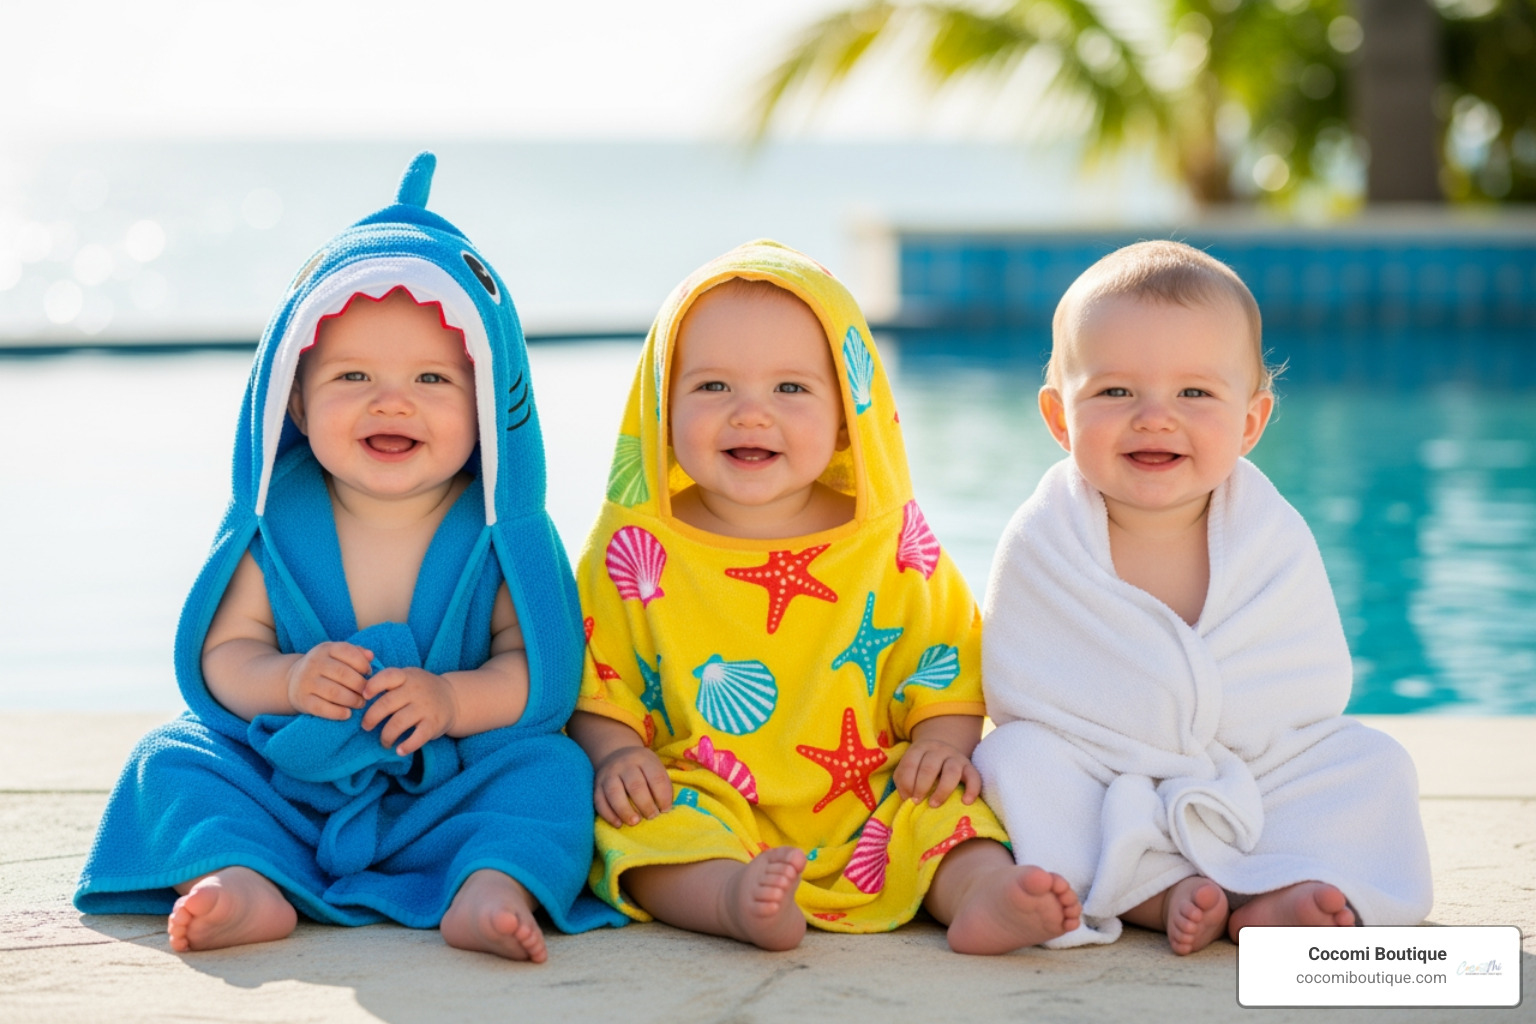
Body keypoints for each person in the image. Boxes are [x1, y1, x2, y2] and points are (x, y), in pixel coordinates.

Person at [74, 153, 623, 960]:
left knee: (552, 773)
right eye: (353, 375)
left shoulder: (495, 531)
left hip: (448, 785)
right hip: (290, 779)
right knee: (171, 759)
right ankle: (243, 877)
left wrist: (450, 700)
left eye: (432, 378)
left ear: (488, 405)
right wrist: (289, 681)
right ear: (293, 400)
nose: (391, 401)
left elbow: (531, 669)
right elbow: (227, 654)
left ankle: (491, 884)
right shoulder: (276, 523)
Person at [568, 240, 1080, 953]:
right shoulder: (633, 547)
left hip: (870, 794)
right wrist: (619, 755)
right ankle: (729, 899)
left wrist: (939, 747)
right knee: (638, 828)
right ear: (661, 405)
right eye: (712, 387)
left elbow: (945, 663)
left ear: (847, 415)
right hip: (704, 793)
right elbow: (600, 685)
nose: (751, 414)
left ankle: (979, 892)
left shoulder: (889, 542)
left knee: (947, 811)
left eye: (790, 389)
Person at [973, 240, 1433, 954]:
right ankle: (1156, 894)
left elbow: (1307, 679)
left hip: (1251, 769)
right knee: (1012, 762)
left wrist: (1217, 749)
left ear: (1250, 422)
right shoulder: (1045, 535)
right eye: (1115, 392)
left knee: (1373, 765)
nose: (1155, 417)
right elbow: (1019, 683)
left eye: (1194, 393)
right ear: (1060, 418)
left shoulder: (1270, 531)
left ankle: (1273, 889)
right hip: (1100, 771)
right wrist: (1143, 739)